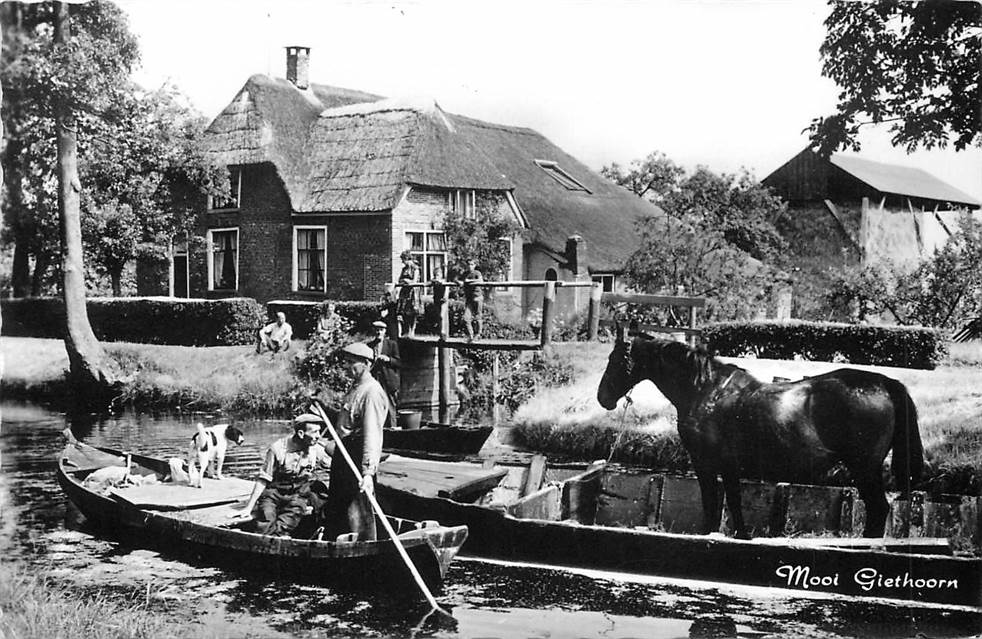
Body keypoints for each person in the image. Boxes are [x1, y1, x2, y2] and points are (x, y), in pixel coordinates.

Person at [322, 342, 386, 542]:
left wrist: (368, 472)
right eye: (346, 362)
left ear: (366, 363)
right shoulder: (354, 388)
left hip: (356, 457)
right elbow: (345, 422)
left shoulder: (371, 392)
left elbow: (372, 435)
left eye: (351, 363)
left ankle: (360, 545)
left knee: (356, 506)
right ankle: (335, 543)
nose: (346, 367)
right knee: (337, 505)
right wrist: (322, 407)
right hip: (344, 453)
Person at [235, 414, 331, 537]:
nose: (318, 436)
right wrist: (249, 507)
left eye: (319, 432)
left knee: (289, 520)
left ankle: (277, 539)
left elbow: (332, 465)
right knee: (266, 519)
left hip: (297, 494)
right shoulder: (278, 449)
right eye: (315, 432)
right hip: (274, 493)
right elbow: (263, 479)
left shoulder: (315, 449)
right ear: (301, 434)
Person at [368, 320, 400, 429]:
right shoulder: (370, 345)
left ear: (385, 331)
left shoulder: (391, 344)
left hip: (388, 379)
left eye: (381, 330)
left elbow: (398, 362)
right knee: (375, 403)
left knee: (390, 403)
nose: (378, 332)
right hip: (374, 379)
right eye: (376, 330)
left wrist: (388, 359)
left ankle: (393, 428)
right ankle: (378, 427)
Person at [396, 250, 421, 336]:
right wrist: (404, 281)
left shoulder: (415, 268)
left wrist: (407, 281)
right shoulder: (404, 269)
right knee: (403, 311)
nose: (403, 262)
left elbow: (414, 281)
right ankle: (405, 331)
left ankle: (412, 330)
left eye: (403, 260)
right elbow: (399, 279)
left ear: (407, 259)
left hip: (413, 292)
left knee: (413, 312)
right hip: (405, 292)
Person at [460, 259, 484, 340]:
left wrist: (469, 281)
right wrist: (459, 282)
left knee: (478, 317)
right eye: (469, 264)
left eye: (472, 264)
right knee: (466, 317)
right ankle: (471, 335)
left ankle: (478, 334)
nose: (470, 266)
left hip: (477, 297)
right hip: (469, 298)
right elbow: (457, 279)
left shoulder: (477, 273)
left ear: (474, 265)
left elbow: (481, 281)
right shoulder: (465, 274)